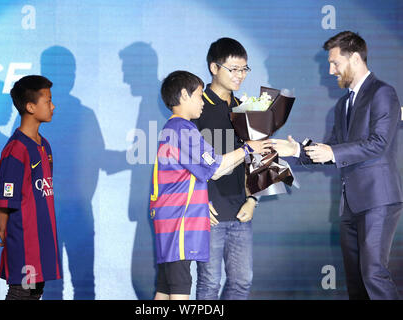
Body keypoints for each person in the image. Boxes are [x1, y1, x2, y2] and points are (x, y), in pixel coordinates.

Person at [273, 31, 403, 300]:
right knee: (356, 280)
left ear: (355, 58)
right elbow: (330, 150)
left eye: (335, 63)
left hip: (378, 200)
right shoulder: (343, 104)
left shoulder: (383, 93)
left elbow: (378, 142)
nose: (331, 70)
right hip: (351, 204)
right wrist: (296, 149)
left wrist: (332, 151)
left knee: (373, 274)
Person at [151, 70, 271, 300]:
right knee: (180, 286)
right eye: (198, 96)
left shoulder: (171, 128)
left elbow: (215, 171)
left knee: (166, 286)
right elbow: (216, 168)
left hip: (170, 221)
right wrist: (248, 149)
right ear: (184, 95)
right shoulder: (183, 129)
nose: (202, 102)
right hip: (179, 222)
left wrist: (249, 151)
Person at [192, 37, 256, 300]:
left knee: (242, 282)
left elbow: (255, 159)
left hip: (241, 210)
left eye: (244, 69)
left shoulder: (245, 109)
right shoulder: (197, 106)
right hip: (210, 213)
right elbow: (186, 160)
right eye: (233, 69)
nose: (240, 75)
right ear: (214, 68)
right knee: (209, 284)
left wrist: (252, 199)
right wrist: (197, 202)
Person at [0, 75, 62, 300]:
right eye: (48, 101)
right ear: (30, 107)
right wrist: (3, 229)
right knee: (21, 292)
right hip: (24, 240)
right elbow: (5, 196)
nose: (53, 106)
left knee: (35, 291)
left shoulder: (46, 146)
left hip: (43, 238)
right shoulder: (16, 149)